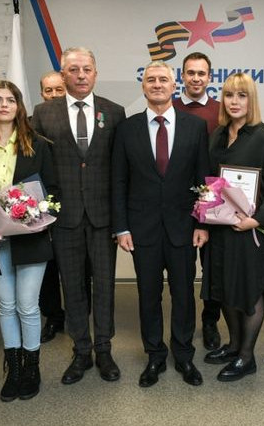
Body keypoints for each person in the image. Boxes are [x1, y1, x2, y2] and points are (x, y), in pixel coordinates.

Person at [31, 46, 126, 385]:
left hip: (102, 217)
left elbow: (120, 169)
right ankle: (81, 351)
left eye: (87, 69)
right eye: (74, 70)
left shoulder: (114, 112)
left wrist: (121, 220)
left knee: (104, 286)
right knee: (72, 286)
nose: (81, 75)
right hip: (64, 217)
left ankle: (104, 349)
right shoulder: (43, 113)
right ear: (63, 75)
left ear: (95, 73)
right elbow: (35, 164)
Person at [112, 61, 210, 387]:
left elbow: (203, 179)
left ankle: (183, 355)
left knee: (184, 295)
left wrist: (203, 223)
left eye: (163, 79)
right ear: (143, 86)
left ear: (174, 85)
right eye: (151, 79)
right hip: (142, 230)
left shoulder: (195, 127)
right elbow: (118, 181)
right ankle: (155, 355)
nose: (157, 84)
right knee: (148, 295)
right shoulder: (127, 129)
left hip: (184, 228)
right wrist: (121, 227)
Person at [0, 80, 59, 402]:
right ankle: (14, 370)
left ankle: (32, 369)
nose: (4, 105)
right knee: (5, 306)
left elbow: (53, 192)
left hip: (30, 239)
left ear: (19, 106)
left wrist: (35, 217)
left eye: (10, 100)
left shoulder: (38, 146)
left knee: (27, 306)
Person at [202, 73, 264, 382]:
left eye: (242, 96)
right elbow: (210, 181)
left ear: (251, 100)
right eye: (229, 95)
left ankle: (247, 357)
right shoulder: (218, 135)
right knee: (225, 288)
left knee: (249, 291)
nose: (234, 102)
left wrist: (258, 219)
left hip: (251, 230)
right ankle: (234, 345)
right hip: (221, 227)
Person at [172, 51, 222, 350]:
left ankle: (210, 320)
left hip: (214, 201)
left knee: (212, 268)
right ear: (182, 76)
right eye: (190, 72)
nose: (196, 78)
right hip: (180, 205)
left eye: (201, 73)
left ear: (210, 77)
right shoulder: (170, 108)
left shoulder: (221, 111)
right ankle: (185, 323)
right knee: (183, 270)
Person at [36, 70, 67, 343]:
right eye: (49, 90)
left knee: (79, 268)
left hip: (77, 204)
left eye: (59, 89)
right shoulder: (33, 120)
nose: (54, 95)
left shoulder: (79, 117)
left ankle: (78, 314)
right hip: (43, 203)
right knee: (47, 266)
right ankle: (53, 316)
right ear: (41, 93)